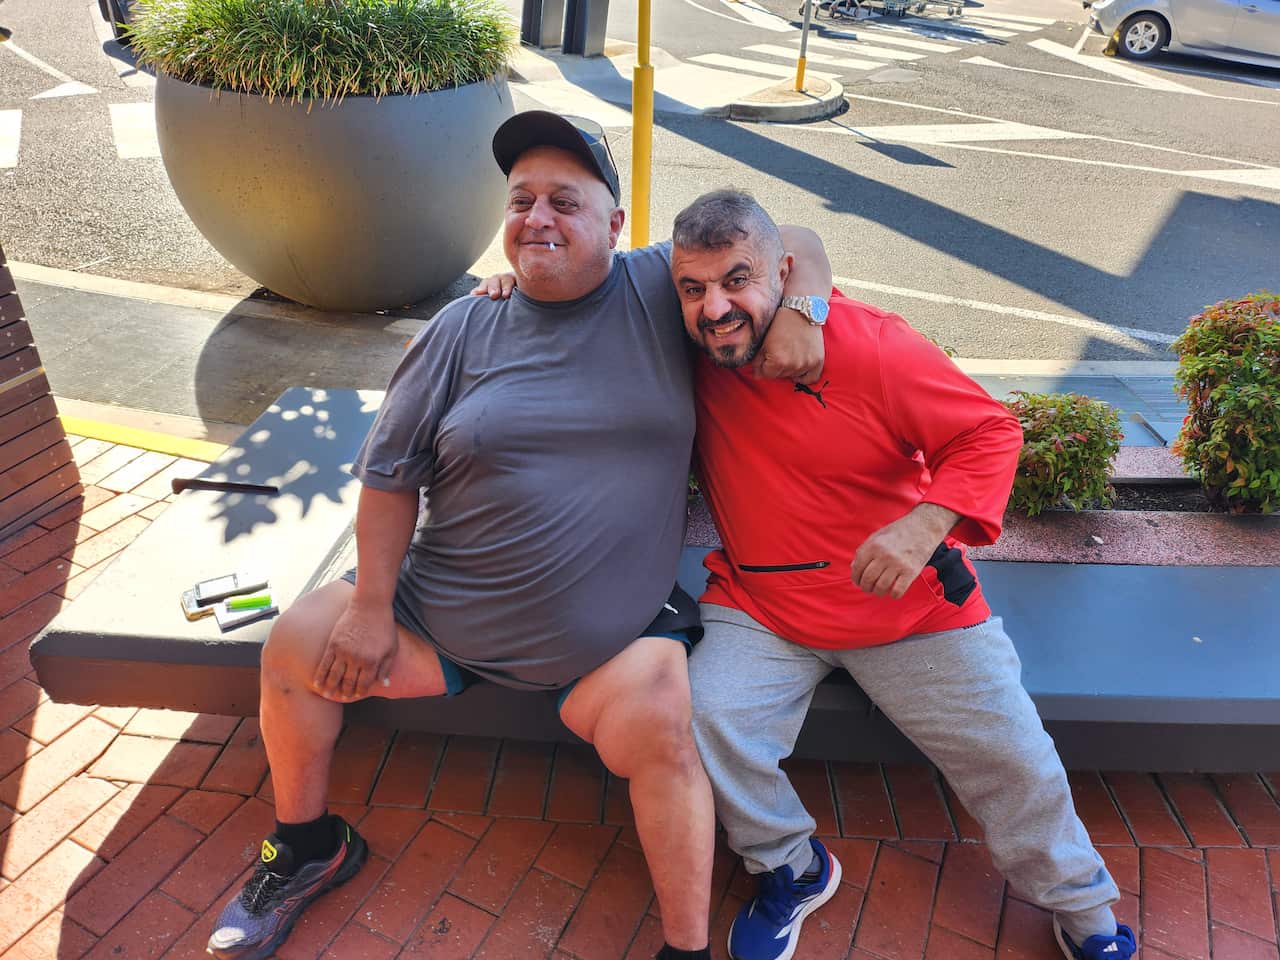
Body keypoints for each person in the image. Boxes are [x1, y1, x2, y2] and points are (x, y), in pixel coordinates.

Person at [205, 114, 832, 960]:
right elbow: (391, 476)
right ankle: (310, 845)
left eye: (565, 203)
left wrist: (802, 309)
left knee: (664, 722)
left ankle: (685, 949)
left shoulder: (661, 288)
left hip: (612, 645)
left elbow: (789, 234)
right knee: (294, 646)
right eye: (522, 200)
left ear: (616, 227)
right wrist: (371, 606)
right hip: (445, 622)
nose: (538, 217)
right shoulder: (464, 325)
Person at [668, 189, 1137, 960]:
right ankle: (792, 865)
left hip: (906, 609)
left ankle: (1083, 909)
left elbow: (991, 431)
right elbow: (590, 269)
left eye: (737, 281)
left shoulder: (872, 345)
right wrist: (512, 282)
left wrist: (923, 525)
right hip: (764, 602)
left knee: (1012, 756)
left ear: (781, 274)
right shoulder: (695, 341)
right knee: (701, 716)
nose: (715, 307)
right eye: (695, 289)